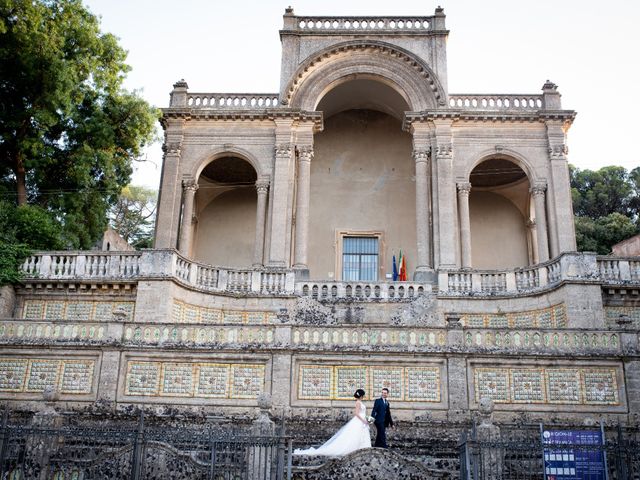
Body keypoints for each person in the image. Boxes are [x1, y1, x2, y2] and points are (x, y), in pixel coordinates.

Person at [294, 388, 372, 456]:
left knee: (360, 435)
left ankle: (361, 448)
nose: (363, 396)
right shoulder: (358, 403)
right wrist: (363, 420)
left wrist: (366, 419)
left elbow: (362, 413)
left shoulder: (361, 403)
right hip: (359, 420)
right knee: (355, 435)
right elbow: (356, 413)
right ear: (361, 395)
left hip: (362, 420)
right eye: (363, 395)